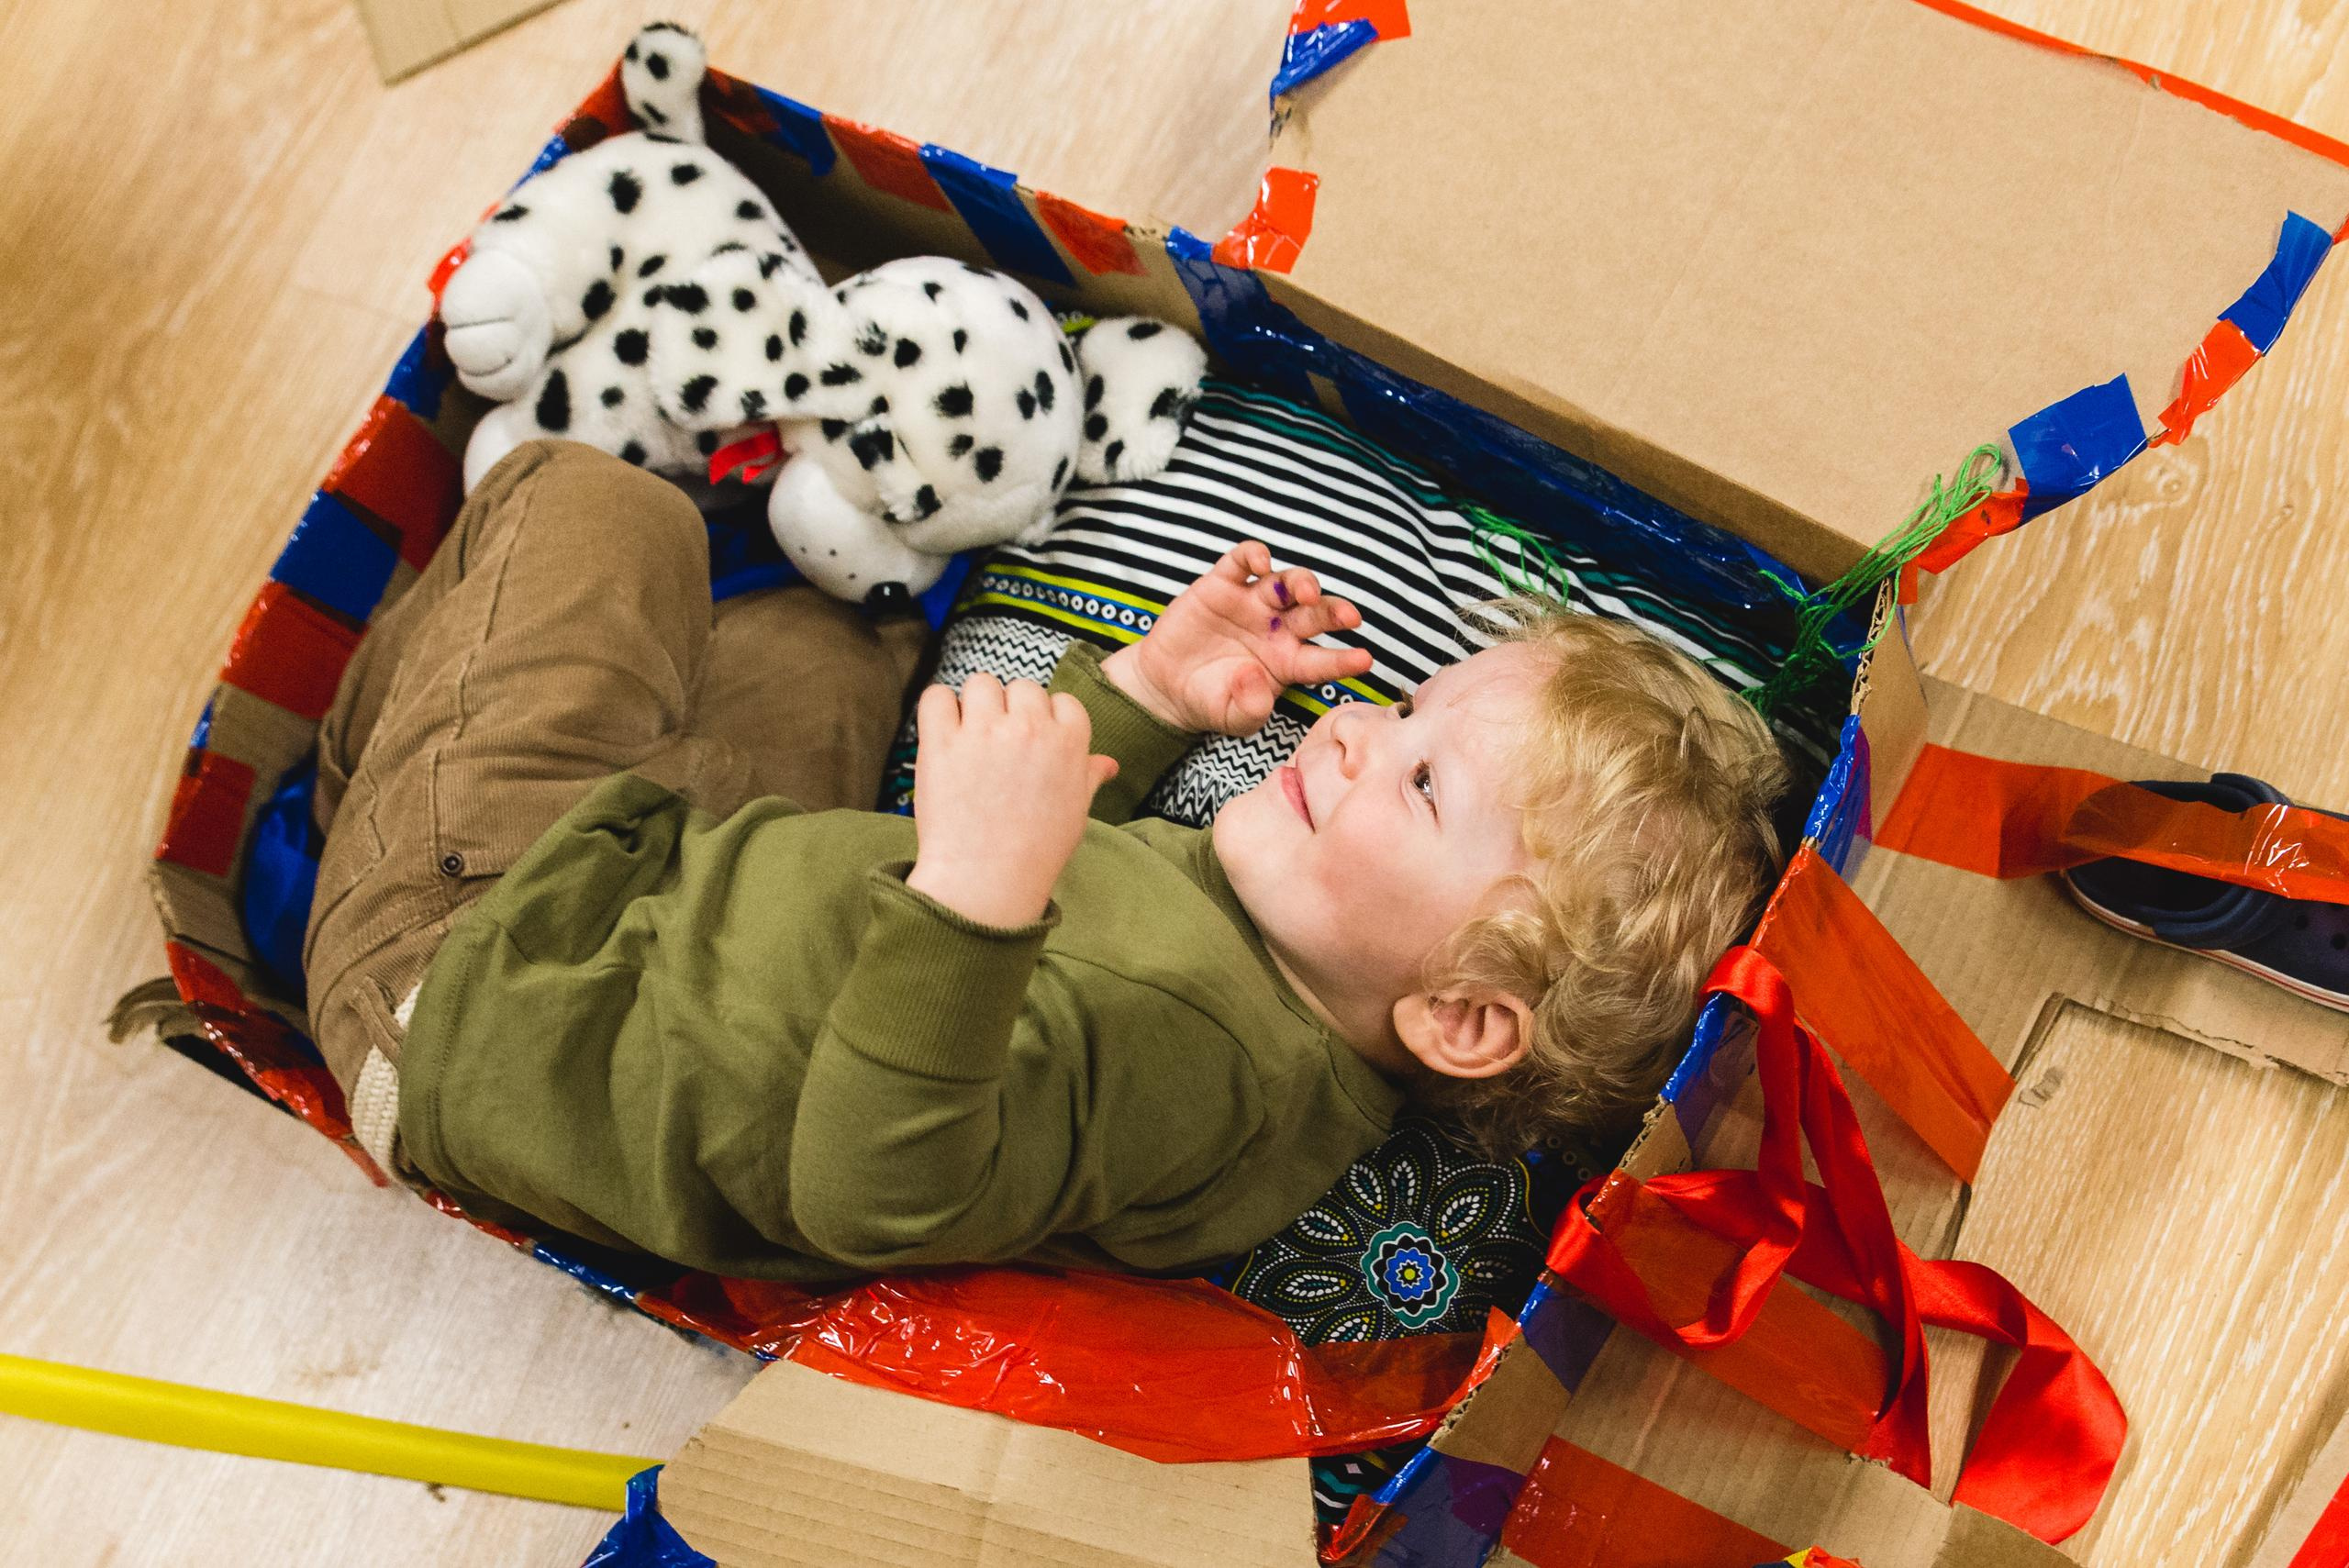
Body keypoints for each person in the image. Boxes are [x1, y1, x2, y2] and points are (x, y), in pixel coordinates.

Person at [304, 439, 1787, 1284]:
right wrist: (1143, 697)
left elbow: (870, 1195)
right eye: (1398, 703)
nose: (1347, 733)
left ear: (1460, 1016)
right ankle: (445, 756)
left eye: (1418, 776)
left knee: (598, 508)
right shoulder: (1278, 966)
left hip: (482, 985)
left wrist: (971, 900)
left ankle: (365, 799)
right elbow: (1095, 866)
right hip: (676, 895)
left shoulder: (1193, 1058)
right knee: (841, 645)